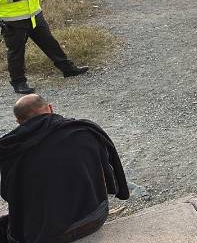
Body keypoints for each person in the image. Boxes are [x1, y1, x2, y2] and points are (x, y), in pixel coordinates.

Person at [0, 95, 129, 242]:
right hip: (94, 218)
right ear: (50, 108)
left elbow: (7, 194)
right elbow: (108, 172)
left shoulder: (11, 149)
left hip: (47, 235)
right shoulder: (84, 130)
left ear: (19, 122)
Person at [0, 0, 88, 95]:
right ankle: (19, 83)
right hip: (12, 20)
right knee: (16, 52)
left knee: (50, 43)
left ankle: (68, 69)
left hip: (34, 13)